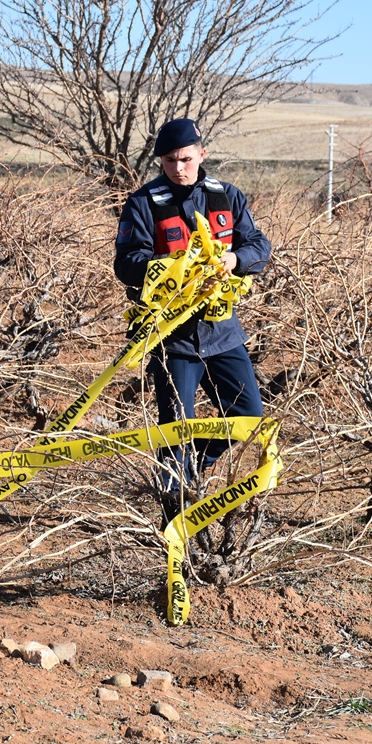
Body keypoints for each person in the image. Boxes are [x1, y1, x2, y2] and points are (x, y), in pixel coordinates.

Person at [113, 118, 271, 531]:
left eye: (186, 158)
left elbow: (258, 245)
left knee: (247, 417)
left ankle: (191, 474)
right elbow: (126, 262)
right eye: (170, 160)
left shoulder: (228, 197)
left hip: (223, 334)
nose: (179, 167)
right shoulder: (143, 202)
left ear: (202, 154)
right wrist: (172, 270)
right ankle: (173, 518)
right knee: (175, 431)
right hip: (173, 340)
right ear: (160, 161)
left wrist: (234, 260)